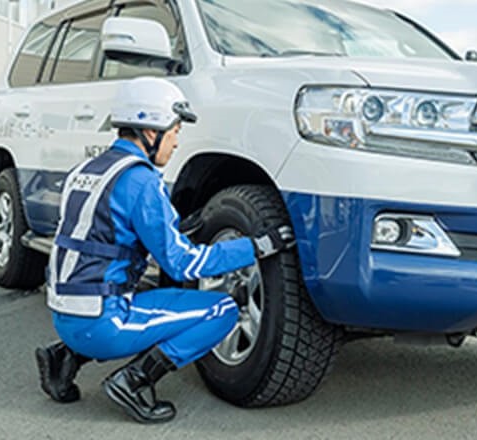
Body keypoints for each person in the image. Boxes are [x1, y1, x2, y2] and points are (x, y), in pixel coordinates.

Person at [35, 77, 295, 423]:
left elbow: (101, 235)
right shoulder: (141, 182)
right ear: (151, 130)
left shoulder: (87, 170)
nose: (176, 142)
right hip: (104, 325)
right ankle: (133, 380)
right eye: (174, 131)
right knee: (222, 311)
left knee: (140, 299)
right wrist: (257, 247)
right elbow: (183, 264)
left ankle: (64, 358)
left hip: (64, 315)